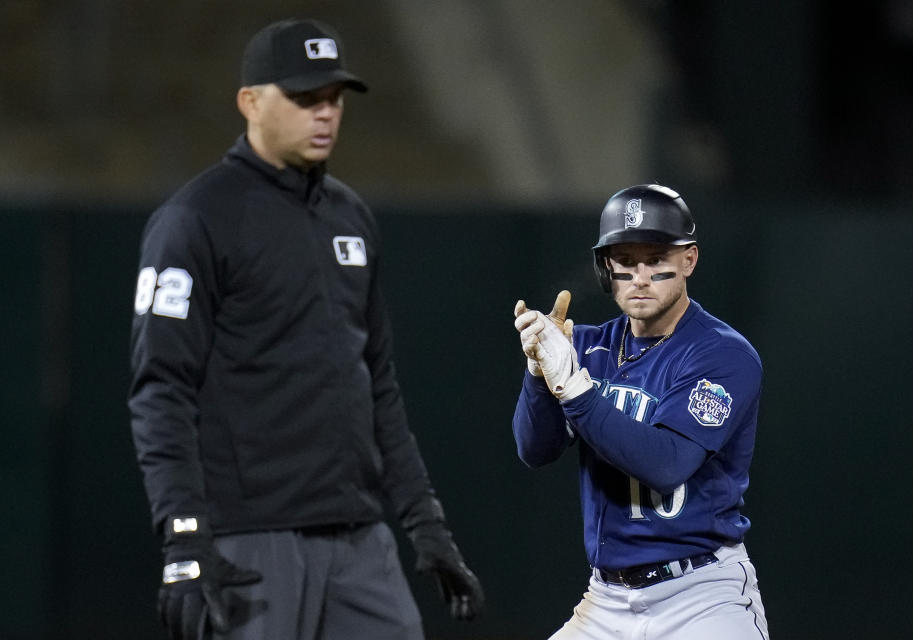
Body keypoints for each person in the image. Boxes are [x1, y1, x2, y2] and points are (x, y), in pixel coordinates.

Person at [128, 18, 483, 640]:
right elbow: (162, 389)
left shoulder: (350, 216)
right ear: (250, 102)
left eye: (333, 99)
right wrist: (183, 536)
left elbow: (378, 384)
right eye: (304, 98)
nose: (325, 114)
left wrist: (425, 521)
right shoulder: (195, 218)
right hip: (250, 542)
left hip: (358, 539)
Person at [512, 184, 769, 639]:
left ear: (688, 260)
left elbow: (666, 463)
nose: (641, 276)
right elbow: (535, 449)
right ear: (606, 266)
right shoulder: (588, 345)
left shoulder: (723, 355)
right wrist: (538, 374)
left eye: (656, 259)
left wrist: (573, 388)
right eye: (626, 262)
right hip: (606, 599)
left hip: (702, 595)